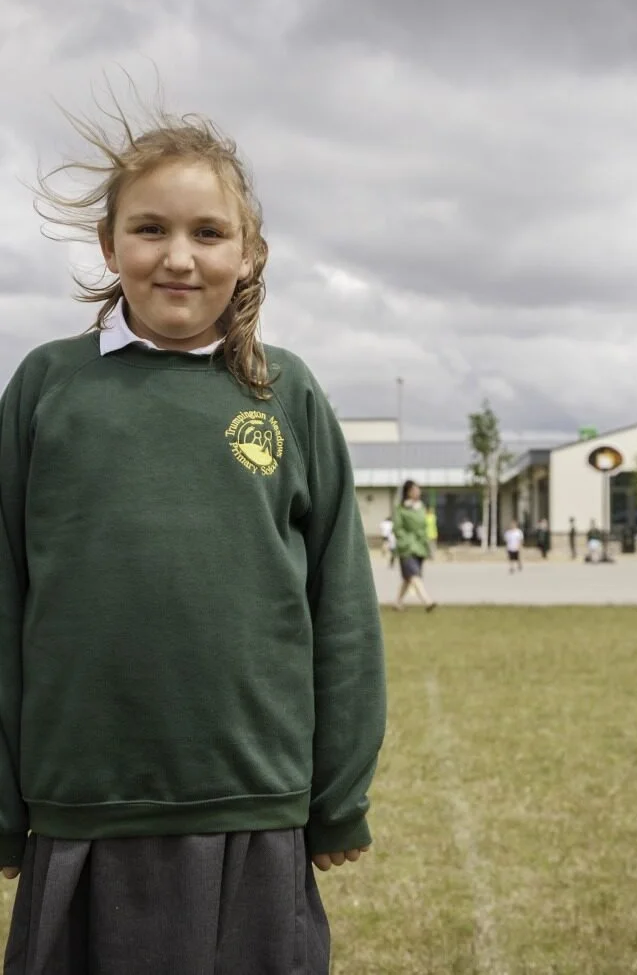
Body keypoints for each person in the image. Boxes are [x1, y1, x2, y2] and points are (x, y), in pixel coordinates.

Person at [0, 95, 386, 974]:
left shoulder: (282, 392)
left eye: (209, 233)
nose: (178, 256)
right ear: (109, 245)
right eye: (149, 229)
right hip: (83, 801)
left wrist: (337, 797)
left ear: (248, 254)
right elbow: (3, 594)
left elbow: (343, 609)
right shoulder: (48, 387)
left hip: (251, 800)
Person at [393, 480, 437, 611]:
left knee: (408, 578)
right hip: (407, 547)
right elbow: (398, 528)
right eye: (415, 490)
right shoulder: (401, 509)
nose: (418, 492)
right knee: (414, 575)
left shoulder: (421, 508)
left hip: (420, 547)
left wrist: (427, 544)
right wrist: (406, 541)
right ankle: (427, 601)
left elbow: (424, 527)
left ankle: (397, 602)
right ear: (408, 492)